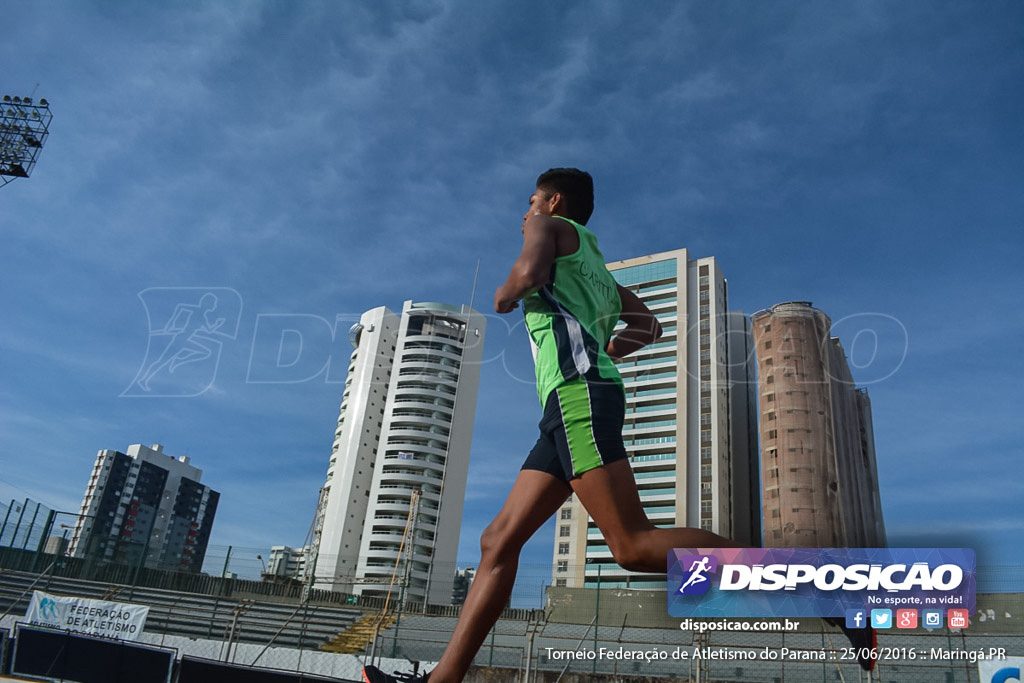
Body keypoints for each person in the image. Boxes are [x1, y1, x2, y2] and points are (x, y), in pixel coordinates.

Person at [364, 168, 737, 683]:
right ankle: (442, 681)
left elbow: (529, 275)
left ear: (553, 200)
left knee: (630, 544)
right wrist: (608, 349)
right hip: (571, 402)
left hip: (578, 396)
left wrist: (505, 294)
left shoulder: (549, 227)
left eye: (531, 201)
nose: (525, 213)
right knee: (498, 540)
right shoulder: (597, 270)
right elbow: (649, 325)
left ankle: (814, 583)